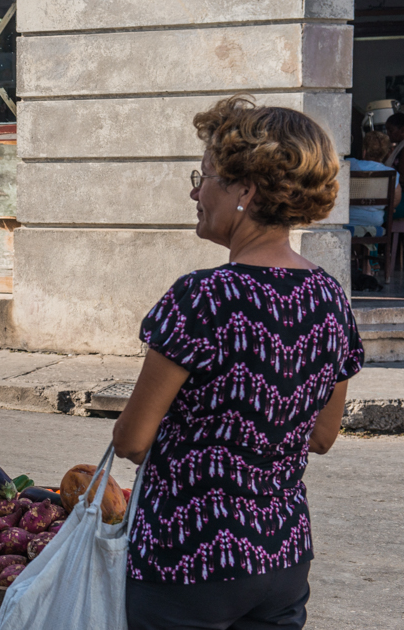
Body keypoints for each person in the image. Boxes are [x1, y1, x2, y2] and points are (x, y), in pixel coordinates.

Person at [112, 96, 364, 630]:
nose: (194, 191)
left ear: (245, 191)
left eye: (204, 176)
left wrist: (203, 448)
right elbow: (321, 437)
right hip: (283, 557)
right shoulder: (329, 297)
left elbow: (132, 441)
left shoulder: (202, 296)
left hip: (188, 558)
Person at [347, 131, 401, 227]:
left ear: (364, 151)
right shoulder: (391, 173)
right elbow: (395, 200)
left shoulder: (349, 164)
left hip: (347, 220)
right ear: (385, 154)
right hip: (374, 223)